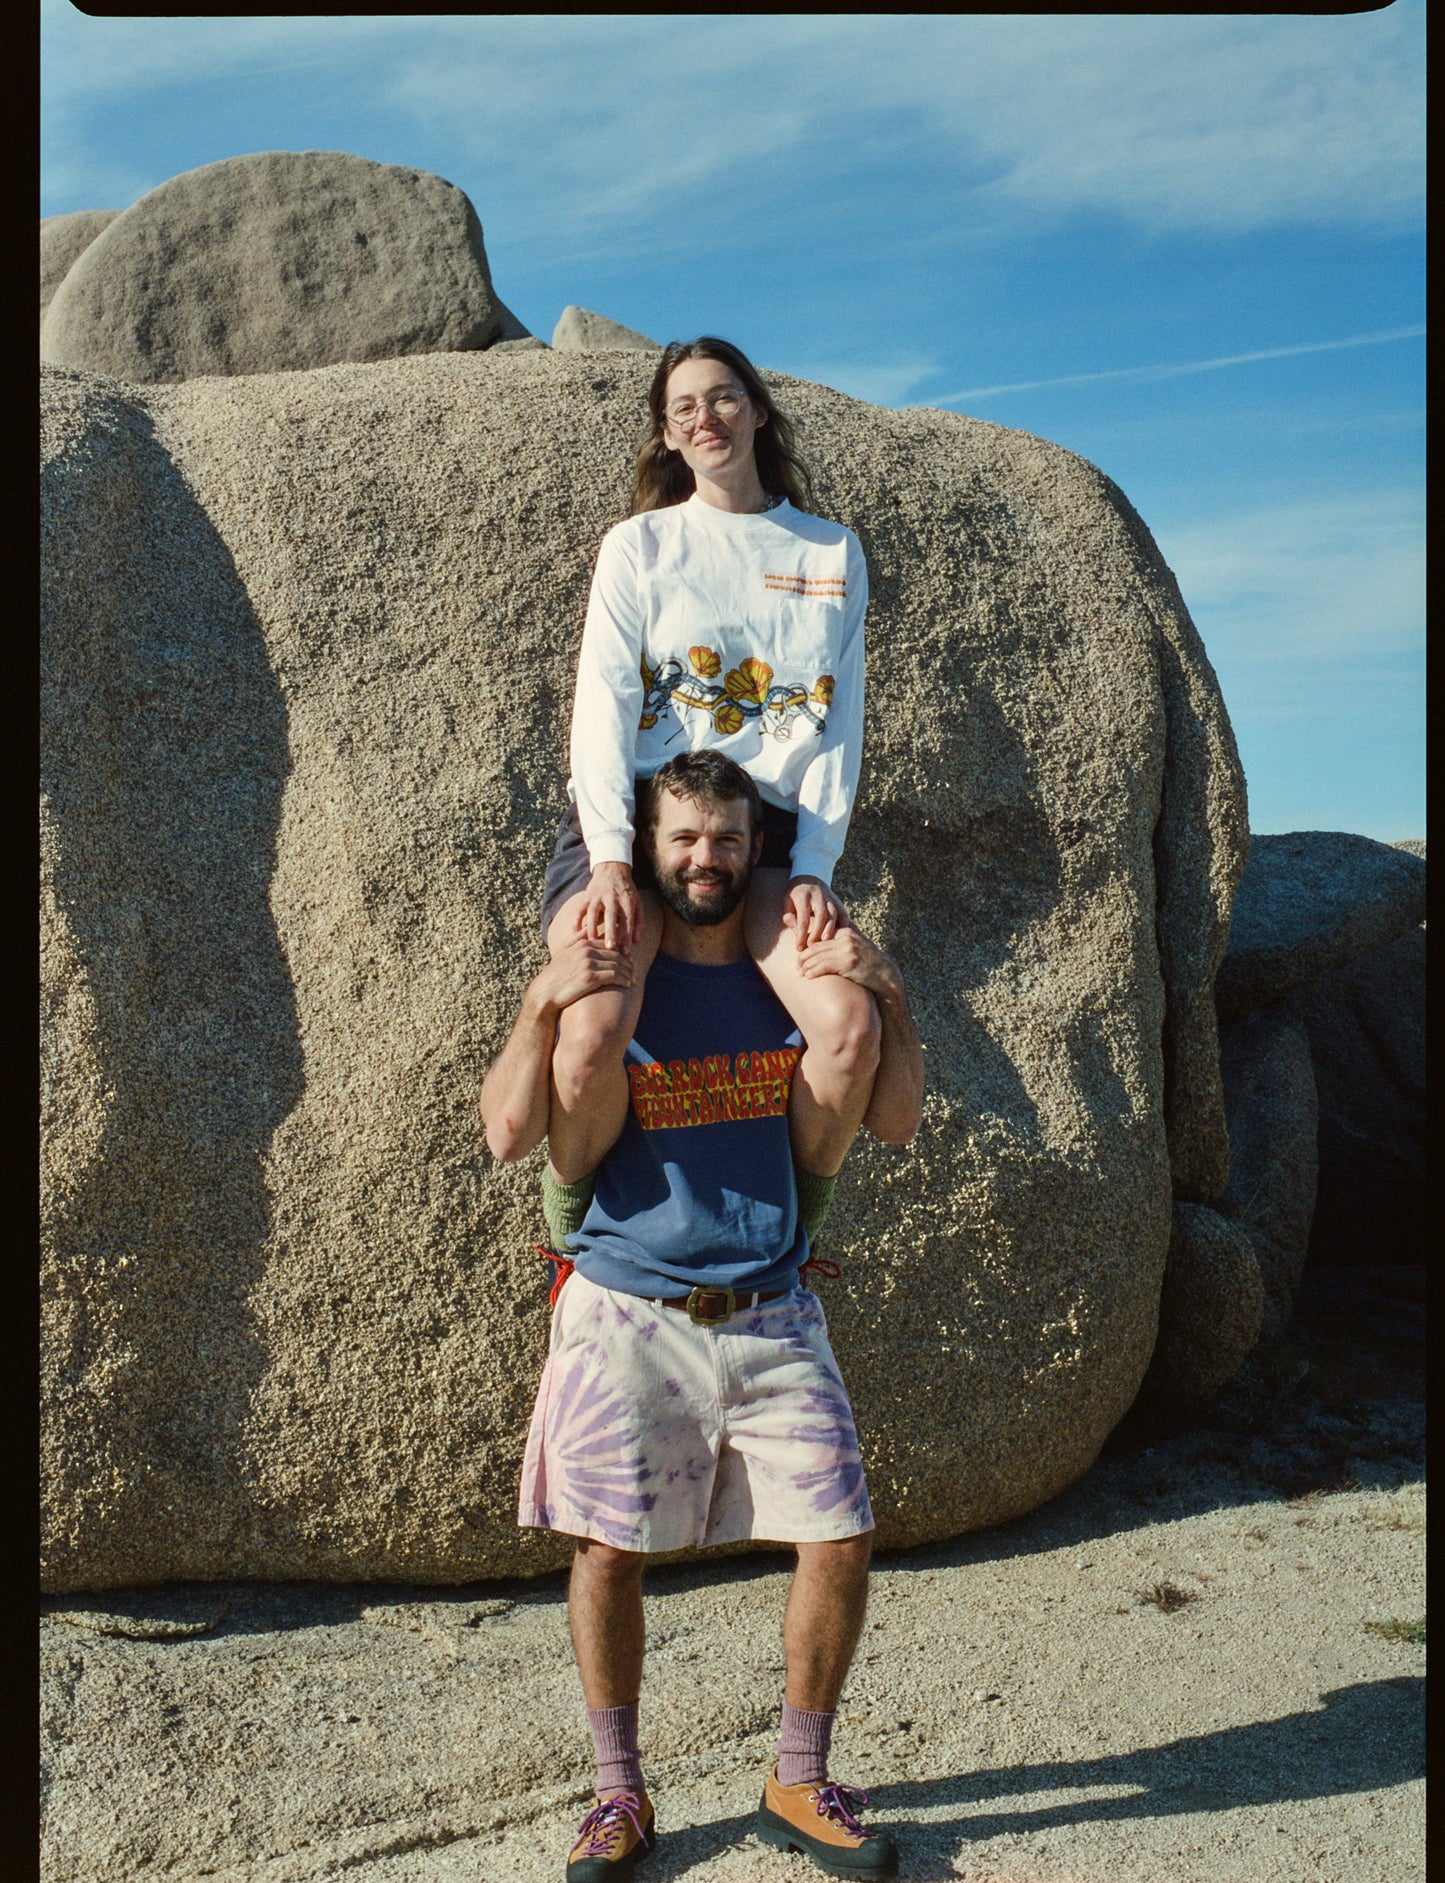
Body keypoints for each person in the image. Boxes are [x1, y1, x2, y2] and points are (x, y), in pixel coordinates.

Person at [481, 751, 923, 1882]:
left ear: (752, 847)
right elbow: (502, 1131)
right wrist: (540, 997)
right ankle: (616, 1792)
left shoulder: (790, 978)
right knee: (606, 1551)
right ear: (648, 843)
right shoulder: (610, 976)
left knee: (839, 1532)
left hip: (771, 1301)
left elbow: (899, 1126)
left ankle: (795, 1773)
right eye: (683, 837)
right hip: (628, 1307)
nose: (705, 858)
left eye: (725, 837)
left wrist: (885, 985)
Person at [539, 337, 879, 1263]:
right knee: (595, 1025)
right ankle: (569, 1228)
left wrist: (812, 866)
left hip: (757, 832)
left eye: (723, 398)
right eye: (684, 407)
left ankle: (799, 1232)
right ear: (667, 434)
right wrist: (610, 855)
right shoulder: (641, 546)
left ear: (758, 411)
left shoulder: (830, 551)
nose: (706, 418)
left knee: (848, 1029)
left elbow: (837, 723)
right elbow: (601, 706)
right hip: (642, 816)